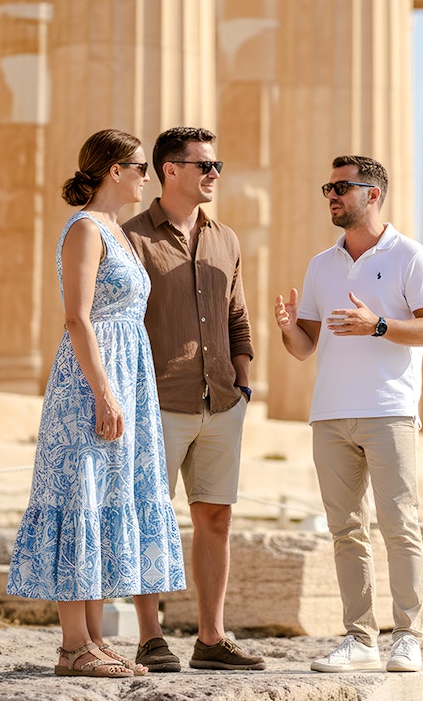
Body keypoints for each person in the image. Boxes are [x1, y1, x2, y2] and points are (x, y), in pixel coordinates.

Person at [6, 129, 186, 679]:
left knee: (104, 497)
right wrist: (104, 393)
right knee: (78, 497)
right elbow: (77, 316)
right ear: (114, 171)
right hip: (90, 381)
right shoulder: (86, 229)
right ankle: (72, 646)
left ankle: (90, 640)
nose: (146, 177)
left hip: (126, 375)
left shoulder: (119, 233)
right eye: (139, 168)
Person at [274, 155, 423, 673]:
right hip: (329, 414)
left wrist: (377, 325)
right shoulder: (321, 264)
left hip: (389, 411)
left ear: (373, 194)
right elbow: (305, 347)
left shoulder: (411, 256)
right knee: (346, 531)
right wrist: (286, 327)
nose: (331, 194)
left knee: (400, 526)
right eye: (328, 186)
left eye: (342, 186)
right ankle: (360, 638)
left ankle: (408, 637)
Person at [121, 126, 265, 672]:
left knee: (217, 519)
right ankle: (150, 637)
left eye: (217, 165)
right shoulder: (131, 237)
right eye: (203, 164)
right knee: (149, 517)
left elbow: (238, 318)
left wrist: (243, 383)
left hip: (222, 401)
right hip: (157, 400)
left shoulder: (226, 238)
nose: (213, 174)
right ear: (169, 170)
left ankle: (211, 638)